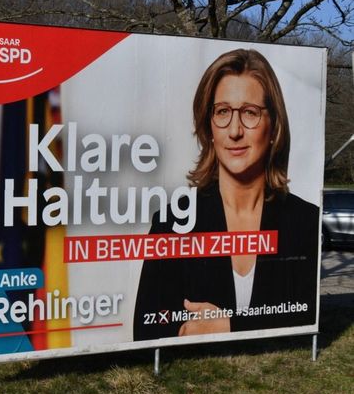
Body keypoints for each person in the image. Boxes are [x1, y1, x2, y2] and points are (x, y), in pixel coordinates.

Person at [133, 48, 319, 341]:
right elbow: (145, 330)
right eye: (222, 112)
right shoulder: (173, 222)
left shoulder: (306, 221)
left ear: (274, 127)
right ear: (208, 127)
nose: (234, 130)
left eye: (249, 113)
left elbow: (308, 317)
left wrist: (230, 326)